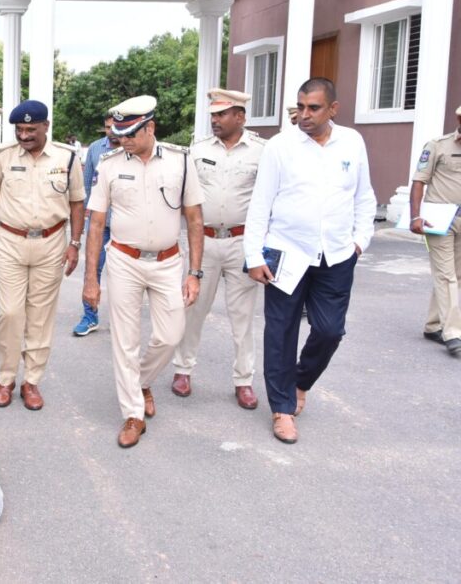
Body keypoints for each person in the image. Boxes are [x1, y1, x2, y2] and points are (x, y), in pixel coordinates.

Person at [244, 77, 376, 444]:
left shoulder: (352, 142)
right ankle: (282, 409)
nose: (304, 115)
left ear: (333, 109)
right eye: (300, 106)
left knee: (330, 330)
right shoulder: (280, 147)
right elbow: (261, 203)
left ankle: (301, 381)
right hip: (286, 252)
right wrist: (254, 254)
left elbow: (364, 196)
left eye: (313, 108)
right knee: (281, 332)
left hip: (336, 255)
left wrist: (360, 241)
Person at [82, 95, 204, 448]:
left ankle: (142, 380)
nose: (123, 140)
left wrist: (194, 272)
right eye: (119, 133)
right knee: (125, 340)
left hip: (168, 262)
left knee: (170, 334)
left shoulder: (181, 162)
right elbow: (97, 223)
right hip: (123, 260)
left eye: (131, 133)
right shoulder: (109, 164)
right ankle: (133, 414)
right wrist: (91, 278)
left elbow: (194, 219)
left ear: (150, 128)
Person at [0, 99, 85, 411]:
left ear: (46, 126)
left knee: (40, 317)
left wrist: (74, 243)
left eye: (30, 129)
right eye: (19, 129)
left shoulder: (67, 158)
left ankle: (32, 381)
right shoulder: (2, 157)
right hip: (10, 240)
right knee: (10, 313)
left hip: (52, 243)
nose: (24, 135)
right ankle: (6, 377)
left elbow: (77, 203)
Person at [172, 89, 266, 409]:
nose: (215, 119)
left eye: (221, 114)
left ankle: (244, 380)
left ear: (240, 116)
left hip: (242, 243)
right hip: (204, 242)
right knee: (193, 308)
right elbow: (183, 194)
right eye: (213, 114)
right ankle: (183, 370)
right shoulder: (197, 150)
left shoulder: (260, 151)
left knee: (243, 317)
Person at [409, 104, 461, 358]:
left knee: (455, 275)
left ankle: (433, 325)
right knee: (446, 276)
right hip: (440, 219)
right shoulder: (437, 145)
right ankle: (453, 333)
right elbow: (419, 181)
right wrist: (416, 215)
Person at [73, 113, 120, 336]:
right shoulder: (94, 148)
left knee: (123, 274)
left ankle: (122, 320)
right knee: (93, 269)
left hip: (124, 225)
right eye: (107, 127)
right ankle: (89, 317)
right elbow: (86, 189)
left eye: (114, 127)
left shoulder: (132, 148)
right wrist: (82, 222)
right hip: (99, 224)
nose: (111, 131)